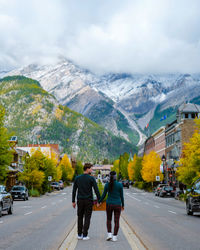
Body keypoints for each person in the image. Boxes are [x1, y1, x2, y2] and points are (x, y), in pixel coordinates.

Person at [72, 163, 100, 240]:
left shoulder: (77, 178)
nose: (92, 170)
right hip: (88, 201)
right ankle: (85, 235)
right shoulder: (91, 178)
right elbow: (96, 190)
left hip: (80, 201)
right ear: (87, 169)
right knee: (87, 217)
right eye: (91, 168)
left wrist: (73, 201)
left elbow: (74, 190)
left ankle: (79, 234)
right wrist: (99, 200)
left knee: (80, 217)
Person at [98, 171, 124, 242]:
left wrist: (99, 201)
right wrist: (123, 205)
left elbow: (103, 195)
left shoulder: (107, 185)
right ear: (116, 177)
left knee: (109, 219)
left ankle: (109, 234)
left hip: (109, 204)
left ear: (109, 176)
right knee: (117, 221)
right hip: (117, 204)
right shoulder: (120, 185)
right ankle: (115, 236)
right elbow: (122, 196)